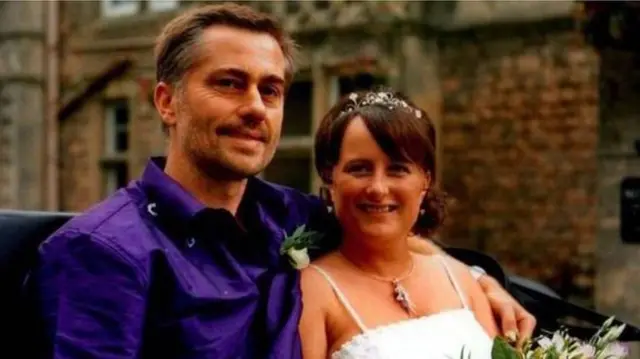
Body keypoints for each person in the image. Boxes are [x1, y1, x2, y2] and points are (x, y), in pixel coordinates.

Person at [26, 3, 534, 359]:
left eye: (270, 90)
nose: (254, 107)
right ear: (167, 102)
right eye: (228, 83)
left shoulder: (289, 215)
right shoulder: (103, 254)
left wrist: (479, 280)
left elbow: (396, 240)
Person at [299, 89, 498, 359]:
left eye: (397, 169)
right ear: (330, 178)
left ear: (425, 181)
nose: (378, 188)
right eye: (360, 168)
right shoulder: (310, 291)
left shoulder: (461, 280)